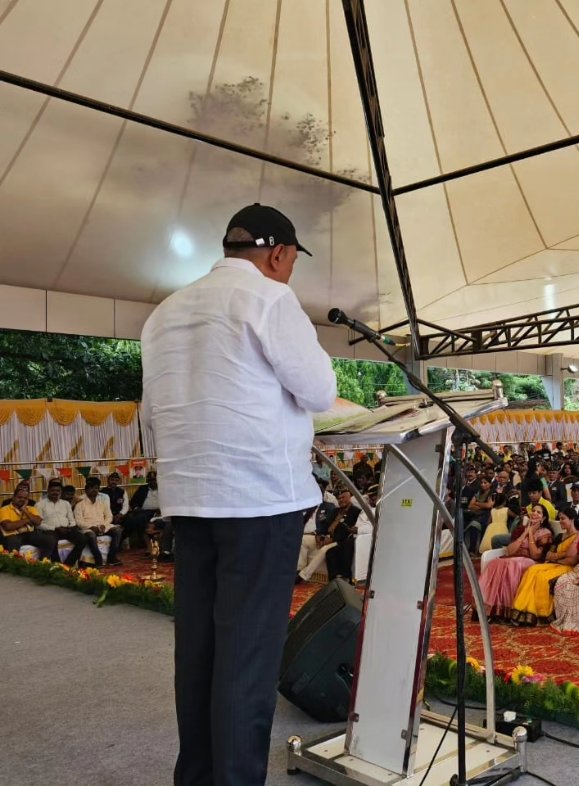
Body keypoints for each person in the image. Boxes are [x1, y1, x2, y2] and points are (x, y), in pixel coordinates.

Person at [141, 203, 336, 786]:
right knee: (246, 661)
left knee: (198, 652)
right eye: (293, 261)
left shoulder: (164, 313)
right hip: (258, 502)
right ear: (279, 254)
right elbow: (321, 390)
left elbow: (151, 414)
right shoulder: (271, 300)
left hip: (189, 498)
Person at [477, 505, 553, 620]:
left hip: (532, 562)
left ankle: (508, 610)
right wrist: (524, 533)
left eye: (539, 512)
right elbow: (509, 551)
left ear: (543, 518)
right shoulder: (520, 529)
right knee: (494, 563)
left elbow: (536, 555)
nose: (535, 513)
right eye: (533, 511)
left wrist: (531, 534)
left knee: (513, 565)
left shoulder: (545, 533)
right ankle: (490, 609)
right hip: (514, 557)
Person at [509, 505, 579, 625]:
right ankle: (522, 611)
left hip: (567, 568)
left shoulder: (577, 537)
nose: (560, 521)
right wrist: (562, 555)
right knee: (532, 570)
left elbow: (572, 559)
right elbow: (547, 555)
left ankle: (541, 614)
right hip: (554, 564)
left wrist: (558, 556)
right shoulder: (559, 537)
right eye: (560, 518)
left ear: (572, 519)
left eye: (563, 519)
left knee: (542, 578)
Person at [73, 476, 124, 566]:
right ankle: (98, 559)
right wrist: (91, 527)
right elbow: (78, 521)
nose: (94, 490)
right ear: (86, 490)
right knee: (91, 535)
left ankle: (111, 558)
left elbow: (109, 516)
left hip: (102, 526)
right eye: (91, 488)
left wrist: (104, 525)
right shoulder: (80, 504)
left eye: (96, 488)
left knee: (118, 530)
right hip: (88, 528)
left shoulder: (102, 503)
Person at [0, 486, 55, 559]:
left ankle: (43, 563)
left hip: (29, 534)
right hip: (12, 535)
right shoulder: (4, 509)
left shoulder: (31, 509)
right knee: (13, 541)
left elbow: (38, 522)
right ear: (13, 498)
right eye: (20, 497)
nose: (22, 499)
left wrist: (25, 510)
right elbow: (8, 526)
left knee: (49, 540)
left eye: (25, 498)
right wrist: (27, 520)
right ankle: (14, 566)